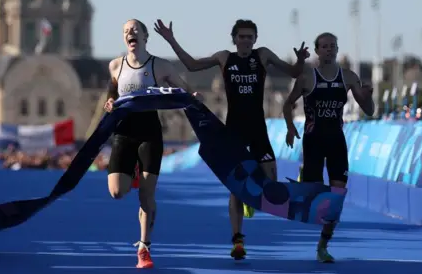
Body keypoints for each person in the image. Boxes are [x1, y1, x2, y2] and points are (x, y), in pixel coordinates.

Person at [154, 18, 309, 260]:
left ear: (255, 39)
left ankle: (255, 198)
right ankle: (238, 240)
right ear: (234, 39)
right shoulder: (225, 58)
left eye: (250, 36)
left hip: (258, 130)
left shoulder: (263, 55)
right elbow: (192, 65)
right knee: (236, 189)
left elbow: (293, 73)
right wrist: (171, 39)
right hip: (234, 131)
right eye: (241, 36)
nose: (246, 40)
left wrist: (300, 59)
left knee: (271, 186)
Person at [104, 19, 201, 269]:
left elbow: (184, 89)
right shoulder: (116, 65)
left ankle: (144, 248)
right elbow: (112, 95)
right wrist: (109, 103)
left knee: (147, 196)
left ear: (145, 37)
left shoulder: (160, 65)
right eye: (126, 31)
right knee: (116, 192)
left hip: (149, 133)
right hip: (124, 132)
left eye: (135, 30)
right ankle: (134, 170)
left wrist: (193, 96)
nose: (130, 33)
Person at [283, 32, 374, 263]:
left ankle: (323, 245)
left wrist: (368, 96)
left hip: (336, 141)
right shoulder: (306, 77)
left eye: (333, 46)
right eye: (324, 46)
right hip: (313, 141)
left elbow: (370, 110)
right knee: (312, 197)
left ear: (336, 49)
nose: (329, 50)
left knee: (337, 195)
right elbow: (288, 104)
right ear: (317, 51)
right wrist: (290, 127)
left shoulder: (349, 77)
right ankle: (306, 176)